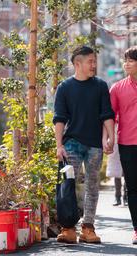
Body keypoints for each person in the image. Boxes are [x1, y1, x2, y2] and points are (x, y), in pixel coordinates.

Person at [53, 46, 114, 244]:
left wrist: (110, 137)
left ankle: (88, 228)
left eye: (94, 61)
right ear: (77, 64)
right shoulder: (64, 87)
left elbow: (107, 114)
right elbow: (59, 119)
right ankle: (68, 228)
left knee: (92, 186)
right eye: (90, 61)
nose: (94, 65)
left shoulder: (100, 86)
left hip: (95, 145)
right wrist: (59, 145)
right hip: (72, 144)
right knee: (67, 185)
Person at [108, 46, 137, 244]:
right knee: (133, 189)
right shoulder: (117, 88)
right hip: (127, 144)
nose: (126, 63)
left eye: (131, 60)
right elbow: (110, 116)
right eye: (124, 60)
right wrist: (108, 138)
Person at [106, 126, 127, 206]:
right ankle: (117, 197)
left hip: (127, 143)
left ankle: (126, 196)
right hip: (115, 143)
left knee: (127, 172)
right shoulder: (114, 115)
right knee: (116, 172)